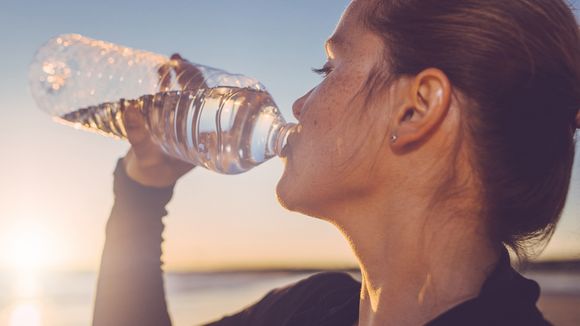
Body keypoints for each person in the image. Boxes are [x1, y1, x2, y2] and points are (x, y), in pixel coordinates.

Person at [92, 0, 580, 325]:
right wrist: (144, 189)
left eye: (328, 68)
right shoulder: (312, 310)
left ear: (416, 109)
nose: (300, 104)